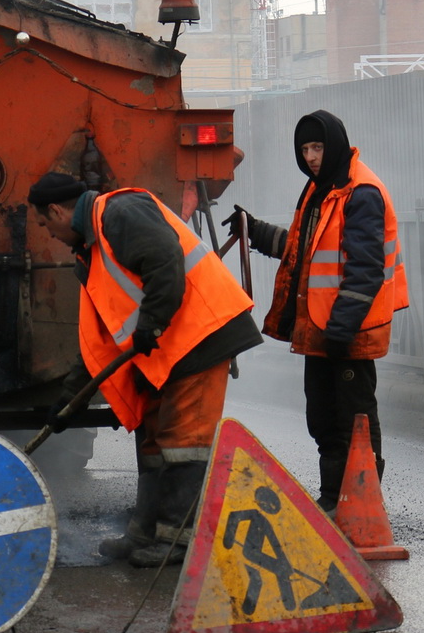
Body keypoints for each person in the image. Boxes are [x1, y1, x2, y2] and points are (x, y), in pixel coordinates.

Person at [29, 172, 262, 567]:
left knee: (183, 442)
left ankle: (178, 543)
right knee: (152, 441)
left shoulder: (119, 213)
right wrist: (68, 403)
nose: (47, 234)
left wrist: (151, 325)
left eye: (44, 224)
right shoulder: (93, 253)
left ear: (56, 211)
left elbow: (165, 261)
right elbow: (97, 348)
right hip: (169, 349)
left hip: (201, 337)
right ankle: (144, 533)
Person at [224, 109, 408, 514]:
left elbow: (366, 271)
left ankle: (361, 502)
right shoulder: (319, 191)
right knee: (324, 420)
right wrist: (254, 230)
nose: (310, 156)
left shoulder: (361, 193)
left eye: (317, 147)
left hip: (348, 332)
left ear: (335, 145)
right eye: (304, 148)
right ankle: (333, 499)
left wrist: (341, 329)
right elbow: (303, 254)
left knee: (353, 421)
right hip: (323, 331)